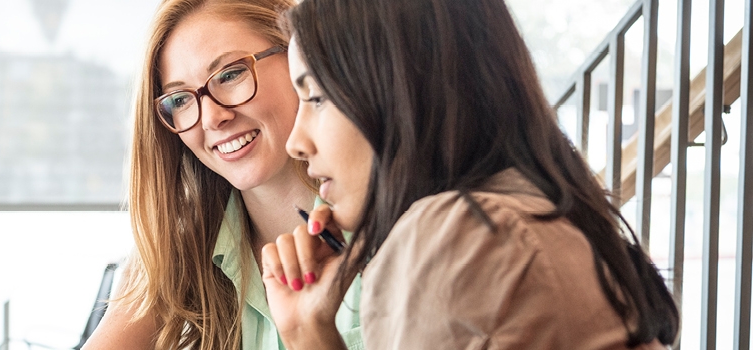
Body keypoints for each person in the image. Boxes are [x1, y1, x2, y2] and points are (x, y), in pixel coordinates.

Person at [264, 0, 680, 348]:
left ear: (404, 90)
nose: (296, 143)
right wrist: (309, 333)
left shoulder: (458, 235)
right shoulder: (536, 216)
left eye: (316, 96)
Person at [83, 0, 363, 349]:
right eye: (180, 100)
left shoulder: (390, 223)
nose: (213, 117)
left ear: (299, 58)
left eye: (230, 74)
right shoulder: (176, 252)